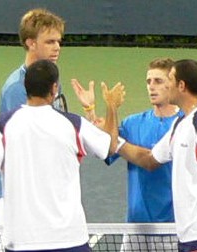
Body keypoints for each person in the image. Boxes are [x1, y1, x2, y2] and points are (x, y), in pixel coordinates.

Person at [0, 59, 125, 252]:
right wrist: (111, 107)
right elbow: (110, 146)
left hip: (21, 243)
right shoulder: (74, 124)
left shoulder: (2, 124)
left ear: (26, 87)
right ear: (54, 88)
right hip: (70, 241)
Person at [116, 59, 197, 252]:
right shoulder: (180, 124)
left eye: (169, 80)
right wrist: (114, 142)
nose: (166, 85)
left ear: (181, 86)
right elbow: (148, 160)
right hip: (188, 235)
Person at [71, 58, 182, 251]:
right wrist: (94, 110)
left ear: (173, 84)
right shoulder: (133, 123)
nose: (151, 87)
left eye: (158, 81)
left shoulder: (185, 123)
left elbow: (147, 157)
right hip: (135, 228)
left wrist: (120, 143)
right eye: (148, 81)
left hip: (173, 228)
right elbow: (106, 145)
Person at [0, 8, 65, 224]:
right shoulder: (17, 88)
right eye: (50, 42)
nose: (57, 48)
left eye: (58, 42)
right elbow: (14, 147)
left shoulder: (52, 78)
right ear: (30, 43)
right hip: (20, 199)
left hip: (45, 193)